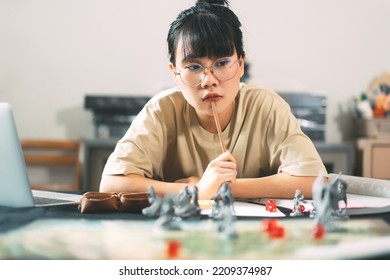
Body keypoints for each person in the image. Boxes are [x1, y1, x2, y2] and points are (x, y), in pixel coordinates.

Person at [100, 0, 328, 200]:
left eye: (222, 63)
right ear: (174, 73)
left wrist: (224, 186)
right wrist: (197, 191)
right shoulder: (161, 110)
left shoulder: (265, 106)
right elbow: (110, 185)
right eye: (194, 67)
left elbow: (315, 180)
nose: (208, 80)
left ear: (240, 64)